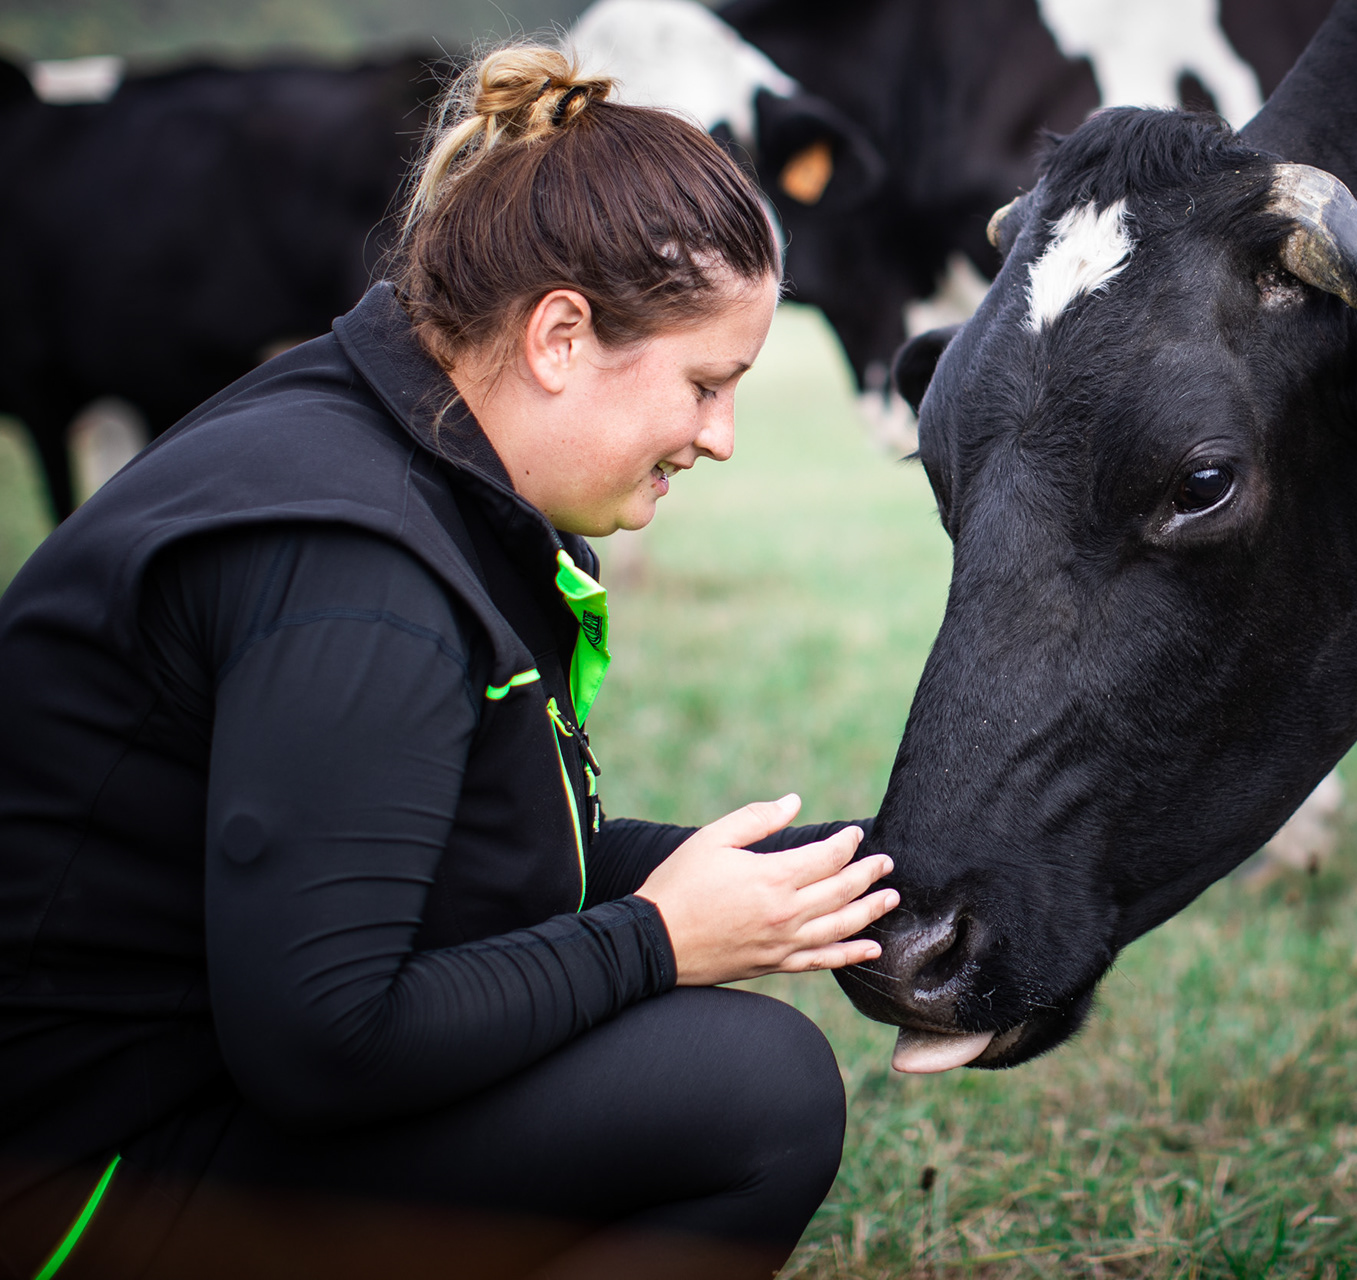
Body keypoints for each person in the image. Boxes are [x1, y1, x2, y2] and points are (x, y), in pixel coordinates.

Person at [0, 44, 900, 1280]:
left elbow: (458, 851)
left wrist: (831, 874)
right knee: (757, 1094)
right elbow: (324, 1042)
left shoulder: (396, 435)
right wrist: (656, 938)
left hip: (167, 1094)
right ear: (560, 336)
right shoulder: (357, 574)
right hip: (76, 1191)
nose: (722, 436)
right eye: (705, 383)